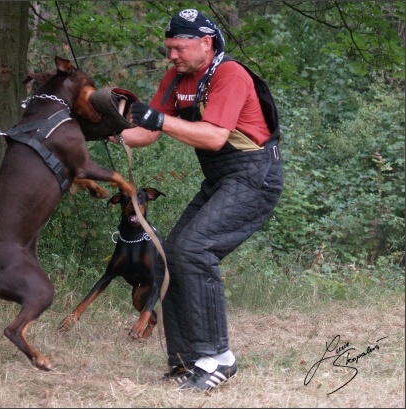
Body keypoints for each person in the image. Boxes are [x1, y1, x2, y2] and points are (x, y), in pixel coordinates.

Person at [111, 9, 283, 392]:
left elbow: (214, 138)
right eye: (168, 48)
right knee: (171, 253)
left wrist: (155, 120)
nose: (171, 56)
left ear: (206, 43)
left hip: (256, 176)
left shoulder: (230, 75)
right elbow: (145, 133)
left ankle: (218, 358)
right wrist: (107, 128)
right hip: (222, 178)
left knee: (194, 249)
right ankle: (187, 362)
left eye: (179, 48)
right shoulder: (177, 78)